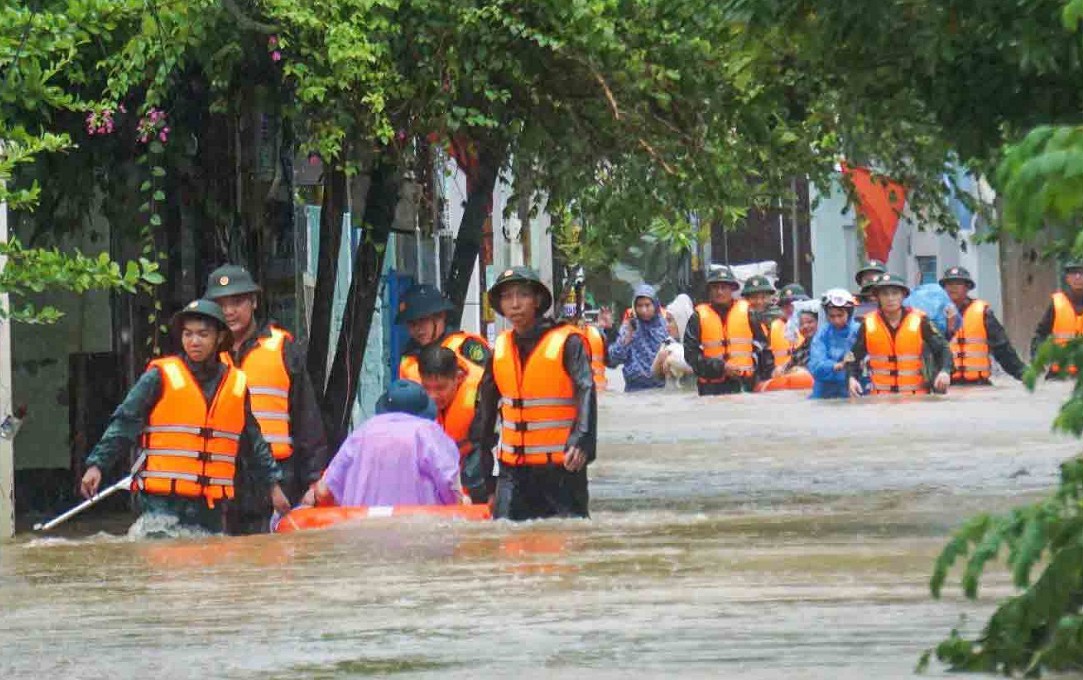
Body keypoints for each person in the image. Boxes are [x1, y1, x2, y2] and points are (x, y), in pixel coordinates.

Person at [79, 300, 290, 534]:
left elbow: (253, 441)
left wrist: (273, 486)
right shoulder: (159, 376)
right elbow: (125, 423)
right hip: (162, 503)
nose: (194, 341)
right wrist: (97, 465)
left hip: (210, 507)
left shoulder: (236, 384)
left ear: (219, 338)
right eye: (188, 334)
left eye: (202, 334)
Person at [203, 264, 329, 534]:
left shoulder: (282, 348)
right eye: (221, 304)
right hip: (221, 476)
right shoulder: (205, 354)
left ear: (254, 302)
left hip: (279, 475)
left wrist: (314, 481)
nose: (229, 311)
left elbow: (307, 419)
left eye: (236, 302)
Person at [469, 266, 596, 520]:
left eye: (522, 295)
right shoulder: (500, 349)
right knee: (505, 542)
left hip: (561, 469)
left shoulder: (568, 342)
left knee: (566, 545)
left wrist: (582, 438)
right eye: (507, 297)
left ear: (537, 300)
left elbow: (587, 388)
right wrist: (487, 482)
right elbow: (484, 419)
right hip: (512, 473)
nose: (514, 304)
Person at [314, 380, 461, 507]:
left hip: (361, 528)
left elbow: (323, 492)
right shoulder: (429, 433)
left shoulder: (362, 432)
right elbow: (450, 485)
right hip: (417, 528)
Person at [847, 274, 953, 397]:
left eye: (895, 293)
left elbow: (943, 348)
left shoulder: (920, 320)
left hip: (916, 398)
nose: (890, 298)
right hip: (880, 399)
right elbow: (853, 356)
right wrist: (851, 378)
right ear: (878, 298)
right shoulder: (868, 323)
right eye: (885, 294)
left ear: (903, 296)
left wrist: (945, 371)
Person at [684, 266, 774, 395]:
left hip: (745, 384)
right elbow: (690, 355)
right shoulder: (697, 317)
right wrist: (720, 367)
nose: (719, 292)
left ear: (732, 289)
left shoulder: (749, 313)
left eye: (724, 287)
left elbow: (764, 349)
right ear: (709, 290)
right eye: (715, 287)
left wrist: (764, 378)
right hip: (711, 389)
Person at [939, 266, 1026, 385]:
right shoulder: (936, 315)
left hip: (978, 384)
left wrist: (1023, 374)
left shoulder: (984, 313)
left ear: (967, 287)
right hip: (947, 384)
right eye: (949, 283)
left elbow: (1003, 349)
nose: (953, 287)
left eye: (958, 283)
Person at [396, 284, 490, 382]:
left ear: (440, 316)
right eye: (412, 324)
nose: (417, 328)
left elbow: (490, 385)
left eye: (422, 320)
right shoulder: (409, 356)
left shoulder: (466, 346)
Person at [418, 345, 482, 475]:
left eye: (440, 388)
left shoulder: (481, 401)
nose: (432, 396)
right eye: (426, 388)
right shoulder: (414, 402)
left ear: (458, 378)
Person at [607, 284, 670, 392]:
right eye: (639, 306)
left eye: (647, 305)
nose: (643, 310)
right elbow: (614, 359)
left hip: (661, 389)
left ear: (655, 305)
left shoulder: (666, 326)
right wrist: (627, 337)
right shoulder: (629, 326)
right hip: (634, 389)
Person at [1032, 261, 1083, 378]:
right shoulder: (1057, 303)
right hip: (1059, 374)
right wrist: (1037, 360)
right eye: (1073, 273)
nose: (1078, 277)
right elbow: (1041, 334)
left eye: (1081, 273)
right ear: (1067, 278)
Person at [808, 289, 861, 399]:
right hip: (823, 391)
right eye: (832, 316)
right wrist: (836, 366)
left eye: (840, 315)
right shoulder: (822, 334)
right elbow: (815, 365)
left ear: (849, 313)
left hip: (852, 388)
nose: (836, 320)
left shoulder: (859, 331)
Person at [770, 283, 810, 373]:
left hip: (807, 378)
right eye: (785, 305)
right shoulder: (772, 327)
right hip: (780, 380)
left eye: (793, 304)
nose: (789, 308)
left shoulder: (811, 327)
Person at [583, 323, 609, 391]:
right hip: (600, 388)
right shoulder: (598, 333)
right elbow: (610, 362)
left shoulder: (570, 335)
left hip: (584, 391)